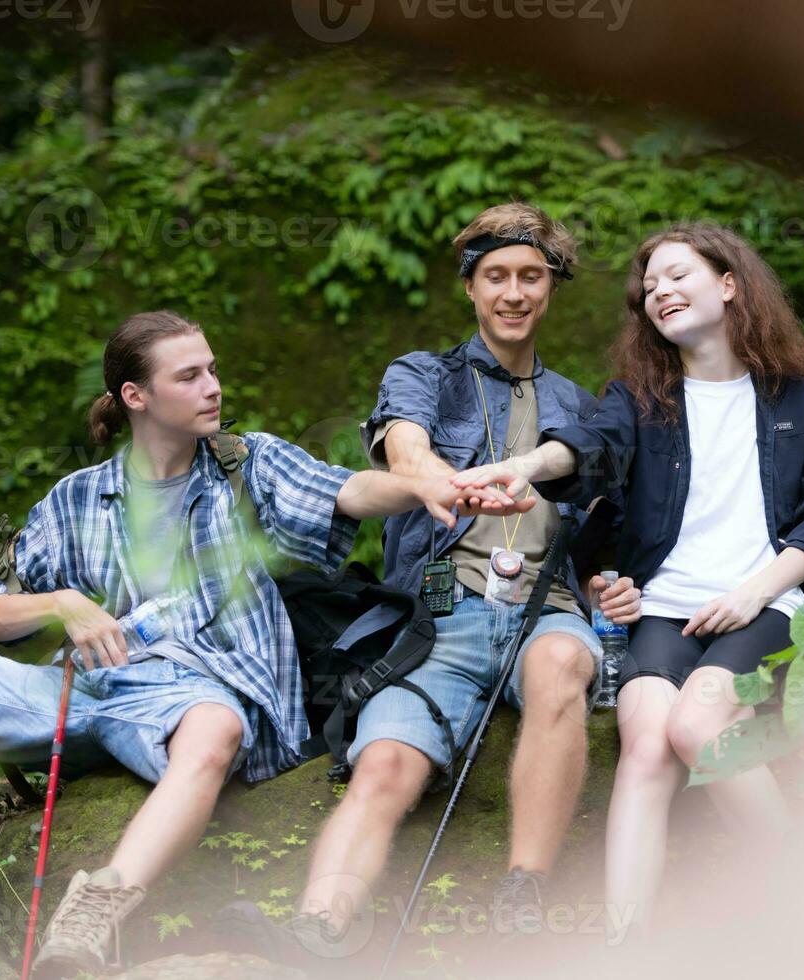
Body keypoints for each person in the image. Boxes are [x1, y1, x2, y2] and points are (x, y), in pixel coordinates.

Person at [0, 310, 521, 979]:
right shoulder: (76, 499)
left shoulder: (248, 466)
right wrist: (62, 604)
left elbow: (350, 491)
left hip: (197, 700)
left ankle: (91, 917)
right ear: (137, 396)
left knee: (213, 729)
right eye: (189, 375)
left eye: (211, 368)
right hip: (83, 689)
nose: (213, 384)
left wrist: (427, 485)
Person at [221, 202, 642, 963]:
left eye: (531, 277)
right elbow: (404, 449)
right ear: (471, 288)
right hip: (438, 612)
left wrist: (614, 583)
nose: (514, 293)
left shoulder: (578, 405)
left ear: (552, 288)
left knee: (561, 666)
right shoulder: (423, 374)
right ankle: (322, 925)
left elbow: (605, 523)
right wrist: (447, 482)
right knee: (384, 761)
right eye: (496, 277)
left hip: (542, 608)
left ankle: (524, 894)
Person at [453, 222, 804, 930]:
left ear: (729, 284)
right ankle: (625, 945)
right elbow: (587, 448)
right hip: (665, 609)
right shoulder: (641, 398)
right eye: (649, 288)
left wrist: (752, 593)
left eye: (678, 276)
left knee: (700, 724)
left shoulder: (803, 397)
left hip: (765, 599)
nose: (659, 292)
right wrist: (523, 466)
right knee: (645, 740)